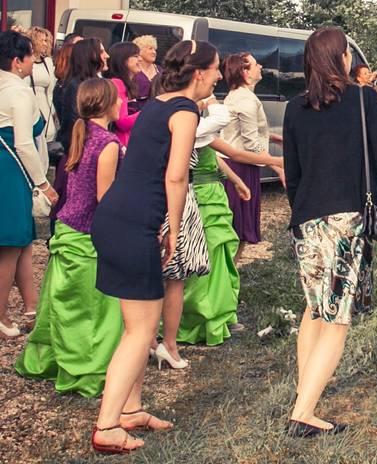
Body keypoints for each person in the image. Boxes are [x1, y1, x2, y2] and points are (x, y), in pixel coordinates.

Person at [89, 40, 216, 454]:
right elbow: (176, 177)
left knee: (136, 327)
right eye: (214, 70)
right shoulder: (184, 112)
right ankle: (107, 427)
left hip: (115, 217)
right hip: (134, 224)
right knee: (142, 330)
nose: (218, 77)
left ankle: (130, 409)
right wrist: (174, 230)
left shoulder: (158, 102)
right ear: (199, 73)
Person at [282, 26, 377, 437]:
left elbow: (291, 174)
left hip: (306, 221)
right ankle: (303, 414)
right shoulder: (364, 101)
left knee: (315, 309)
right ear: (342, 58)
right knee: (336, 321)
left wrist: (301, 213)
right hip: (346, 221)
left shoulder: (295, 108)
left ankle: (304, 398)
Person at [15, 78, 123, 395]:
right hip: (87, 233)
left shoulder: (82, 132)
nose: (121, 104)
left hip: (65, 227)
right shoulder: (107, 142)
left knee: (60, 300)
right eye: (117, 100)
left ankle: (50, 358)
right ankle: (85, 368)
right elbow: (106, 199)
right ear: (107, 105)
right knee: (89, 306)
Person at [176, 100, 283, 348]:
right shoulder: (192, 128)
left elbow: (217, 155)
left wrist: (235, 180)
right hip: (202, 198)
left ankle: (222, 314)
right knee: (207, 260)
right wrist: (277, 162)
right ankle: (203, 319)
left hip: (215, 193)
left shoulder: (199, 130)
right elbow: (235, 153)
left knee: (223, 257)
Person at [0, 31, 58, 338]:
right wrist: (43, 184)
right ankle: (0, 318)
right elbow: (24, 143)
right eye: (29, 58)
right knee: (10, 245)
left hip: (7, 167)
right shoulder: (19, 92)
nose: (32, 63)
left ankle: (31, 304)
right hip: (11, 170)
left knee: (21, 242)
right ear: (17, 61)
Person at [221, 52, 283, 257]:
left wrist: (276, 139)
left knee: (236, 230)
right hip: (241, 167)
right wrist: (277, 167)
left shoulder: (236, 95)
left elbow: (247, 132)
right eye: (256, 64)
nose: (261, 67)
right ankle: (229, 281)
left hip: (234, 164)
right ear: (245, 72)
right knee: (238, 231)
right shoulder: (246, 100)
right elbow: (250, 143)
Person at [50, 38, 108, 230]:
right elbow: (74, 126)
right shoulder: (75, 86)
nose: (106, 55)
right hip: (79, 158)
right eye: (101, 51)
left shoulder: (96, 82)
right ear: (90, 56)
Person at [26, 27, 58, 170]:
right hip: (30, 104)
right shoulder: (25, 60)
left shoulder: (48, 62)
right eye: (42, 40)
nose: (45, 43)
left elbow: (50, 91)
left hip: (45, 106)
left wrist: (52, 113)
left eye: (47, 40)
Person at [106, 42, 141, 148]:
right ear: (122, 60)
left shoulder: (128, 84)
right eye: (135, 56)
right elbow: (122, 122)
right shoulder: (117, 83)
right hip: (122, 143)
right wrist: (147, 111)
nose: (140, 59)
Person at [132, 35, 161, 108]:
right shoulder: (133, 70)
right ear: (140, 50)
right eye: (150, 48)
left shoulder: (160, 70)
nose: (154, 52)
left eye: (155, 49)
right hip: (136, 112)